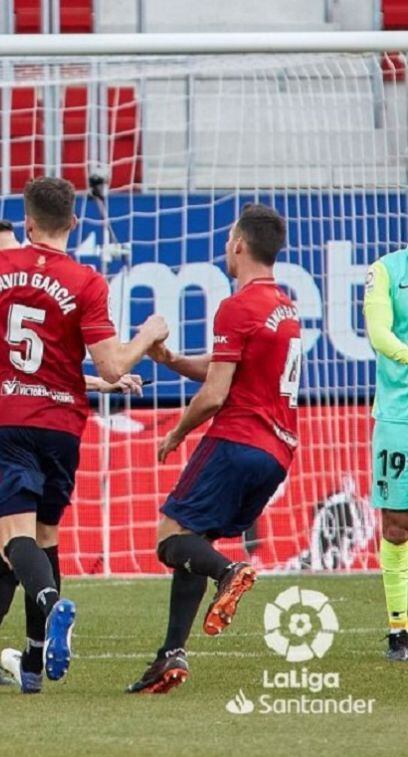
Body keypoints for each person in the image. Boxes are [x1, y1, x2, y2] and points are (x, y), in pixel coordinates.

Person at [0, 177, 168, 692]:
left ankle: (51, 604)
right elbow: (113, 365)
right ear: (73, 223)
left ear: (27, 222)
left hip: (9, 417)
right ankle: (33, 665)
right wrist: (150, 333)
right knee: (48, 536)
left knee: (17, 538)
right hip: (62, 424)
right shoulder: (87, 281)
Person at [127, 204, 300, 693]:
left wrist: (177, 433)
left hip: (238, 439)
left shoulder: (237, 305)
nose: (226, 247)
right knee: (192, 539)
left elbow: (216, 395)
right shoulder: (285, 307)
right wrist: (174, 359)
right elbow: (225, 368)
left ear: (240, 245)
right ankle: (171, 656)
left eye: (229, 239)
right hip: (277, 452)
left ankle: (231, 571)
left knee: (168, 538)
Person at [363, 247, 408, 661]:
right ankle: (400, 629)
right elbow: (380, 335)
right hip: (399, 418)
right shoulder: (386, 271)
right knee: (397, 527)